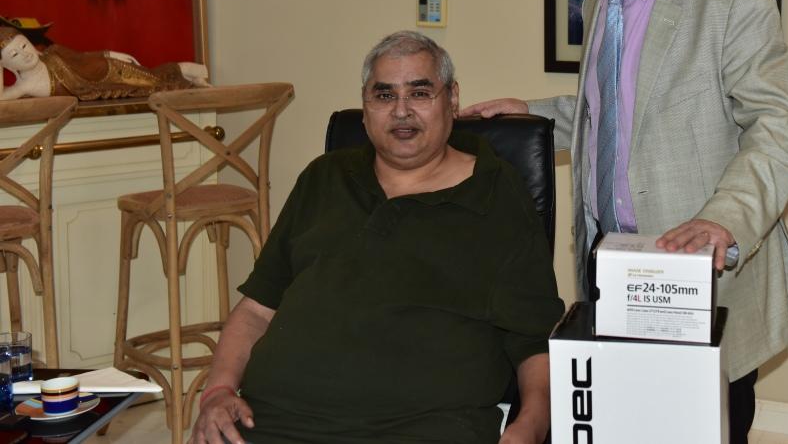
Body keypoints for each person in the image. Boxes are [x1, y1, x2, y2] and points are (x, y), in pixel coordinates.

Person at [462, 0, 788, 443]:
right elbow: (618, 113)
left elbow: (777, 126)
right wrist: (532, 112)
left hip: (700, 276)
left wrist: (724, 219)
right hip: (613, 272)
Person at [189, 31, 564, 444]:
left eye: (419, 93)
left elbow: (535, 340)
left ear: (452, 99)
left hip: (423, 428)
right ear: (365, 106)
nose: (401, 111)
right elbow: (257, 310)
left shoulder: (496, 193)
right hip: (273, 422)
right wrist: (218, 391)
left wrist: (530, 426)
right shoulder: (324, 177)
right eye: (384, 95)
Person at [0, 26, 209, 100]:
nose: (25, 54)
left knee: (154, 80)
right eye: (14, 55)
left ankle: (192, 70)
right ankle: (192, 74)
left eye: (24, 46)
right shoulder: (25, 86)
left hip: (109, 69)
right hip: (102, 88)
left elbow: (84, 57)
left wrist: (112, 54)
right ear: (8, 65)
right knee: (154, 84)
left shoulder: (53, 53)